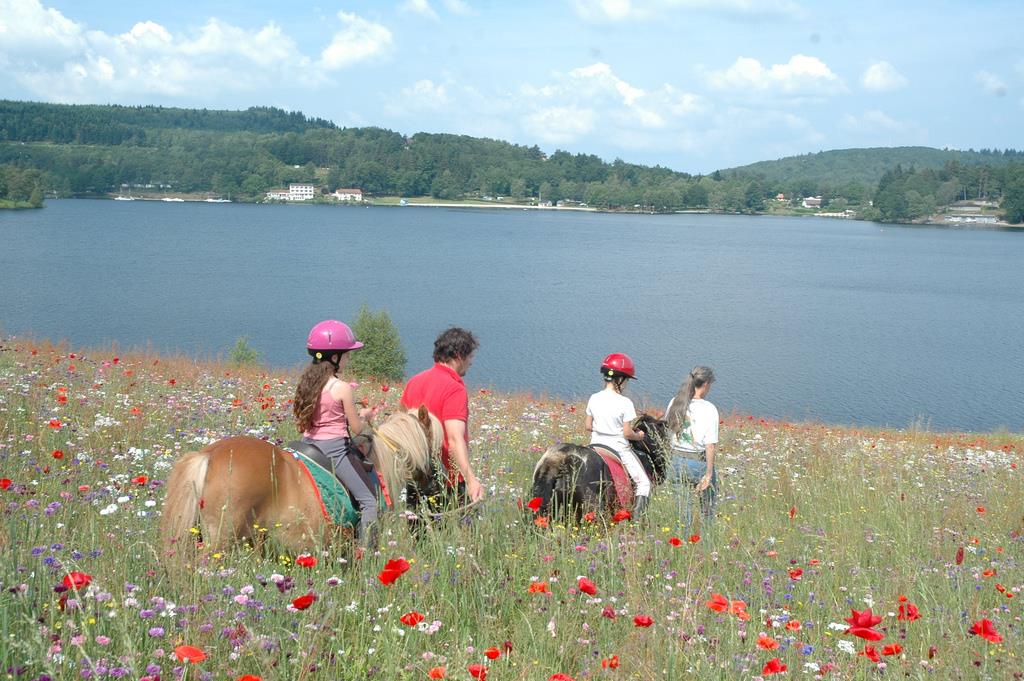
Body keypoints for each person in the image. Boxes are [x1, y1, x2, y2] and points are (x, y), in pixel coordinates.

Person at [293, 320, 378, 547]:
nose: (348, 359)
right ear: (334, 357)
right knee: (369, 501)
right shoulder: (341, 388)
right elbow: (357, 429)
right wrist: (366, 416)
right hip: (334, 450)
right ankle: (367, 554)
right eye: (346, 354)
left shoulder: (307, 383)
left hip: (307, 446)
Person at [400, 327, 485, 503]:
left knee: (418, 528)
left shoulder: (414, 382)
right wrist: (470, 479)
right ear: (459, 356)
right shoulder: (454, 389)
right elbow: (454, 439)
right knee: (454, 527)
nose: (471, 362)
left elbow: (402, 427)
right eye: (470, 356)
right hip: (446, 479)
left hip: (416, 475)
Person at [584, 353, 651, 516]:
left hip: (595, 446)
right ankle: (636, 521)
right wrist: (639, 436)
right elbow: (627, 433)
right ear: (620, 379)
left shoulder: (594, 398)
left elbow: (587, 426)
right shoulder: (625, 403)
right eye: (627, 379)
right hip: (618, 449)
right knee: (644, 484)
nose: (627, 383)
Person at [665, 366, 719, 533]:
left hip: (675, 462)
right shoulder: (709, 409)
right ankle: (707, 545)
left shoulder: (675, 402)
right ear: (706, 384)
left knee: (682, 512)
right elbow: (710, 445)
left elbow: (667, 432)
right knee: (707, 510)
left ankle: (680, 545)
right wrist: (708, 474)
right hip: (697, 463)